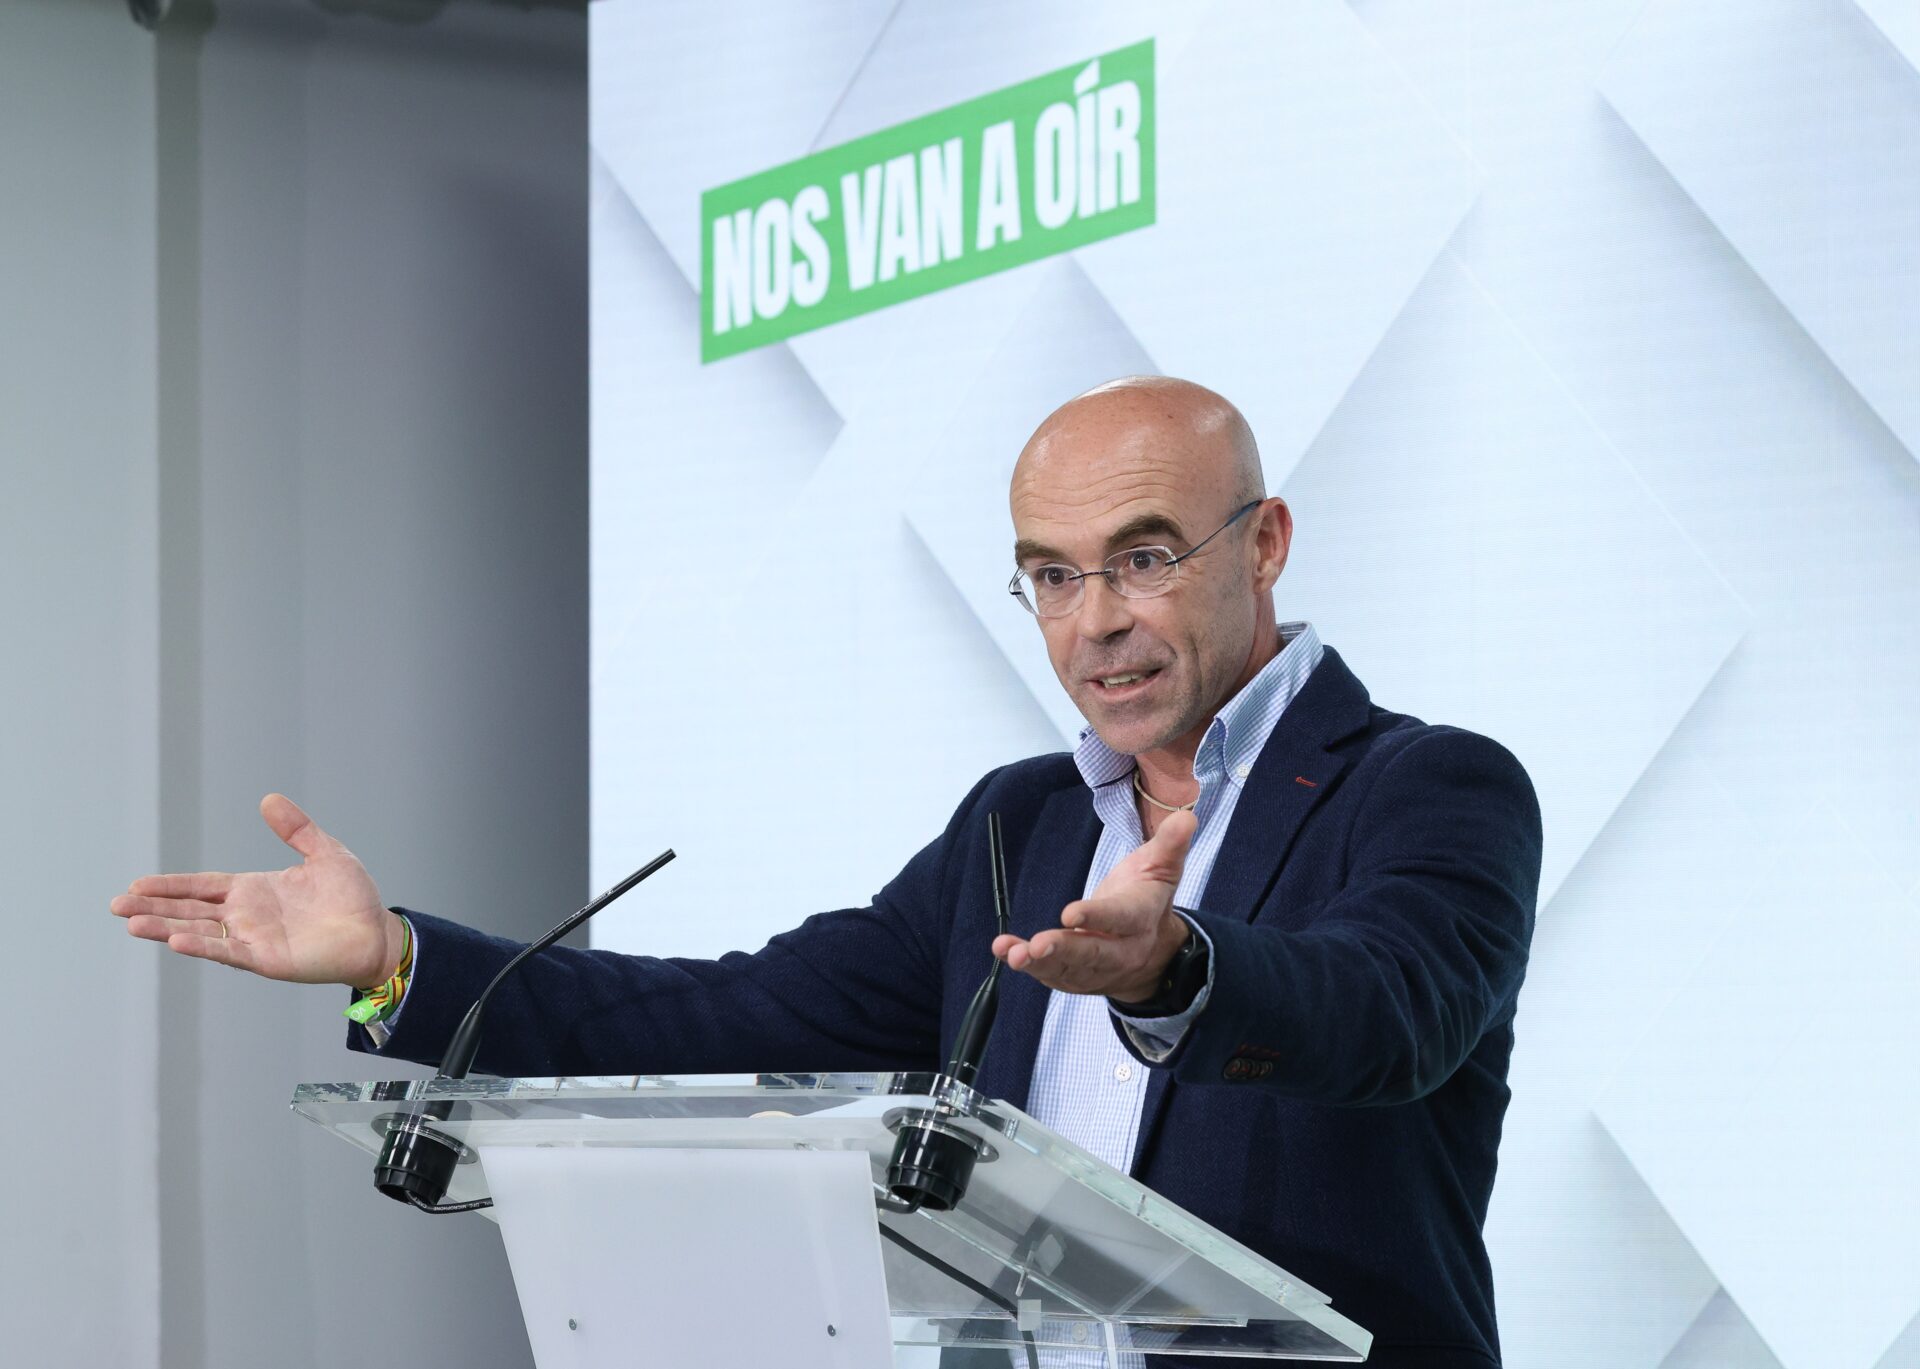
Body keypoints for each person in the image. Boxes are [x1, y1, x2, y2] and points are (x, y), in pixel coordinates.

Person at [113, 376, 1541, 1369]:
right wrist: (399, 963)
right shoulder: (1021, 825)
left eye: (1145, 557)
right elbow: (733, 1016)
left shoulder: (1429, 785)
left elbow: (1390, 1010)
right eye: (1052, 575)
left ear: (1266, 543)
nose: (1095, 621)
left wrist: (1175, 970)